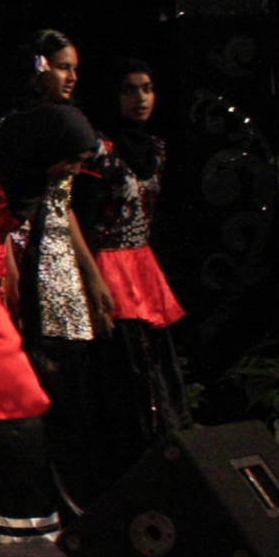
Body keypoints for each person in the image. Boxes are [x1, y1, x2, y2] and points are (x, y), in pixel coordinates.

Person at [0, 105, 102, 541]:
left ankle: (9, 513)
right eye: (69, 160)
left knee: (19, 394)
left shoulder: (24, 178)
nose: (73, 170)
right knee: (11, 392)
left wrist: (9, 274)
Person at [74, 59, 189, 487]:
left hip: (143, 266)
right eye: (129, 89)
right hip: (107, 267)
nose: (140, 98)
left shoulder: (156, 147)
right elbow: (82, 215)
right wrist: (89, 279)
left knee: (156, 370)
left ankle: (168, 466)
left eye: (147, 88)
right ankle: (127, 473)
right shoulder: (98, 148)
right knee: (123, 373)